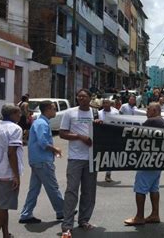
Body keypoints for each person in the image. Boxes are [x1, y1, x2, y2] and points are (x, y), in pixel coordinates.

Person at [59, 89, 98, 237]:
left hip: (91, 158)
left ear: (90, 98)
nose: (81, 98)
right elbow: (62, 133)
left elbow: (102, 130)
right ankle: (67, 225)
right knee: (71, 191)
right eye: (79, 96)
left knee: (89, 191)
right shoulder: (70, 113)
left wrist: (99, 124)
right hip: (75, 158)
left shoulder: (95, 113)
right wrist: (80, 137)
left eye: (84, 96)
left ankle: (84, 220)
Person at [19, 101, 64, 224]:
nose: (55, 111)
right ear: (48, 109)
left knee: (34, 189)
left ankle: (26, 214)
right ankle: (63, 210)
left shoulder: (40, 122)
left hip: (38, 160)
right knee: (52, 187)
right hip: (42, 161)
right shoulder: (42, 123)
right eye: (54, 109)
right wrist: (56, 149)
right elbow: (43, 142)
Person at [124, 103, 164, 226]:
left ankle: (139, 217)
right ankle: (155, 214)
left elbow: (137, 134)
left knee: (140, 188)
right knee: (154, 187)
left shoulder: (152, 121)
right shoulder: (162, 121)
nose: (146, 111)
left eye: (148, 109)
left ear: (154, 110)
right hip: (158, 160)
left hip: (148, 160)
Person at [0, 104, 23, 238]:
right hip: (7, 173)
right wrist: (16, 175)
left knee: (2, 206)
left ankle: (6, 234)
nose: (20, 115)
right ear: (12, 114)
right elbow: (12, 153)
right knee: (3, 207)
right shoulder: (15, 128)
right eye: (18, 113)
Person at [98, 99, 120, 182]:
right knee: (99, 156)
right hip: (100, 137)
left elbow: (119, 123)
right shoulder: (99, 113)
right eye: (103, 103)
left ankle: (108, 174)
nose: (105, 104)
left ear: (110, 104)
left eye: (106, 103)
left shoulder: (116, 112)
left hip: (111, 137)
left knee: (110, 156)